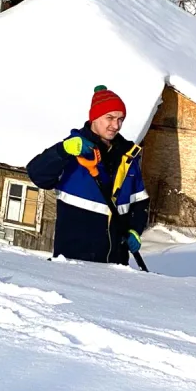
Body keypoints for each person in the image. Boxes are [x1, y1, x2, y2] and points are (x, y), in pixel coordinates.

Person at [26, 85, 149, 264]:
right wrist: (62, 151)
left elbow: (140, 201)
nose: (116, 125)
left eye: (120, 119)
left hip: (116, 262)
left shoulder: (128, 155)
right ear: (94, 117)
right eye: (110, 118)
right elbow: (37, 175)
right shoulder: (74, 148)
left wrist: (135, 230)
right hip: (73, 259)